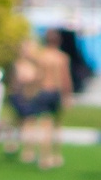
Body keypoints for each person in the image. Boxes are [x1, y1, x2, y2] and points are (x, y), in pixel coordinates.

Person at [8, 31, 69, 170]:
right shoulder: (62, 57)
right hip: (56, 91)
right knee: (56, 125)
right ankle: (56, 155)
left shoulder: (42, 57)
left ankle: (44, 157)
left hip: (43, 91)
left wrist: (30, 89)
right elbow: (65, 78)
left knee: (43, 124)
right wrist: (67, 95)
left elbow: (38, 76)